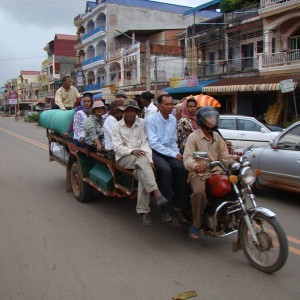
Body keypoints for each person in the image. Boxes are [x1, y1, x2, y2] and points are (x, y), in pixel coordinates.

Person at [183, 106, 238, 241]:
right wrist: (196, 165)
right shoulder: (193, 137)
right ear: (202, 120)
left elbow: (225, 156)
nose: (212, 121)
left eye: (214, 118)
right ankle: (196, 224)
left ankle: (231, 216)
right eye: (209, 118)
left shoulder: (217, 137)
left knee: (237, 186)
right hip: (199, 174)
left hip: (217, 171)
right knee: (199, 193)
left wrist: (234, 162)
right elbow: (187, 157)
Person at [112, 99, 168, 226]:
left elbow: (146, 142)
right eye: (127, 111)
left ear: (136, 112)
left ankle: (144, 212)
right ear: (123, 112)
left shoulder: (143, 123)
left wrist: (148, 159)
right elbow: (117, 147)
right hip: (124, 157)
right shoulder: (116, 126)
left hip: (142, 157)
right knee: (143, 163)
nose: (130, 113)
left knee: (143, 173)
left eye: (132, 111)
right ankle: (157, 193)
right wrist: (132, 150)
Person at [145, 93, 189, 226]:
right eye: (167, 104)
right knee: (166, 170)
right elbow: (154, 143)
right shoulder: (151, 119)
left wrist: (177, 153)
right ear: (159, 106)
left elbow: (173, 141)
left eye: (172, 104)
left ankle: (179, 207)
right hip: (156, 152)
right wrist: (173, 154)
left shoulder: (173, 119)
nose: (170, 107)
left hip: (170, 152)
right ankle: (166, 211)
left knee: (181, 168)